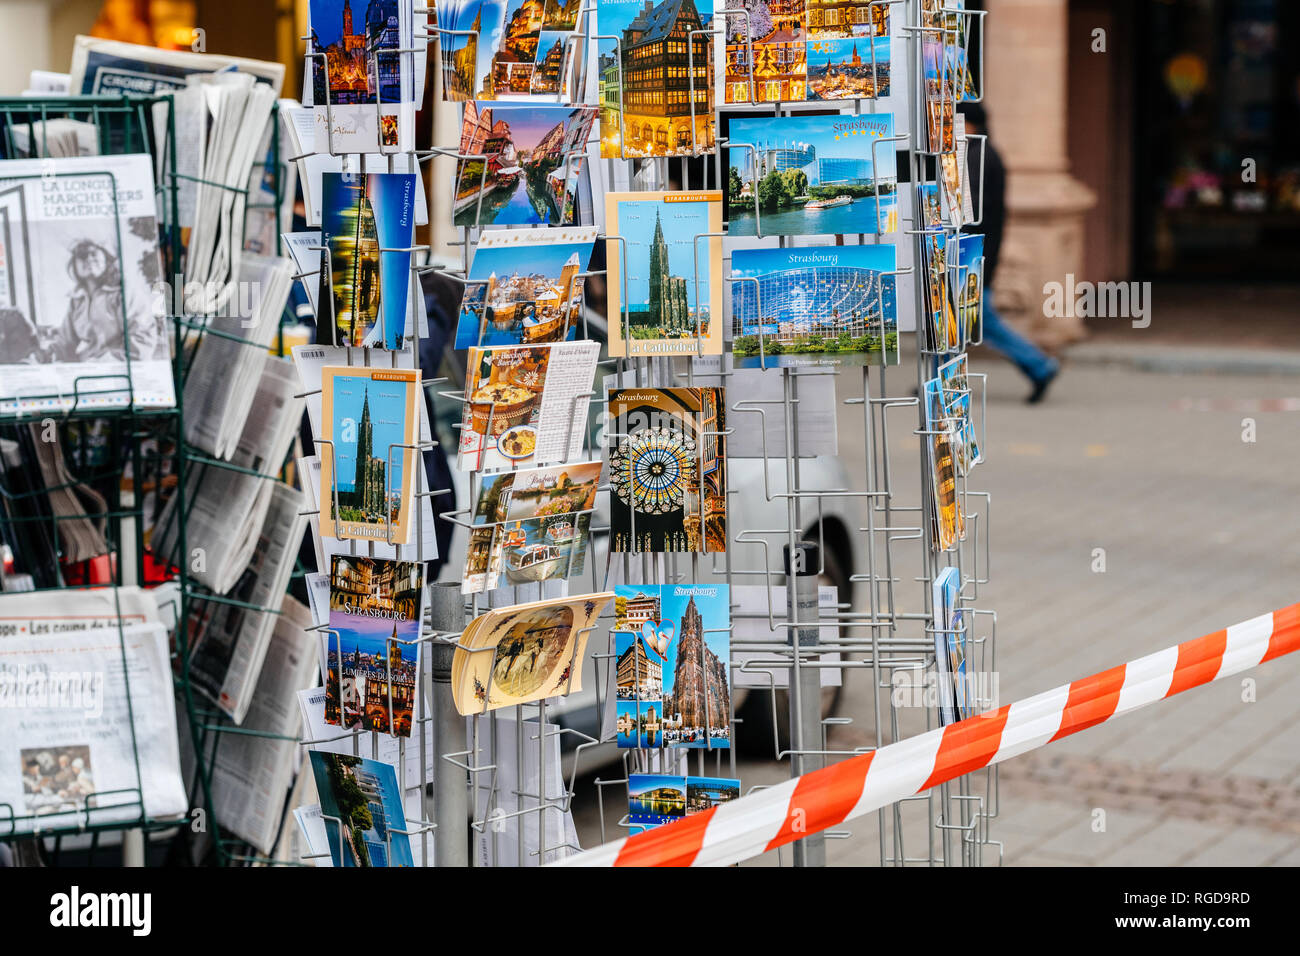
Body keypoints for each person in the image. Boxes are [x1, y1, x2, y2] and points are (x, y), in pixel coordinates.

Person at [960, 102, 1060, 403]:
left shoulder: (980, 157)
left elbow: (972, 213)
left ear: (970, 124)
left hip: (973, 253)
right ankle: (938, 379)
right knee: (956, 320)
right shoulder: (982, 154)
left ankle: (1039, 365)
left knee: (977, 319)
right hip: (976, 252)